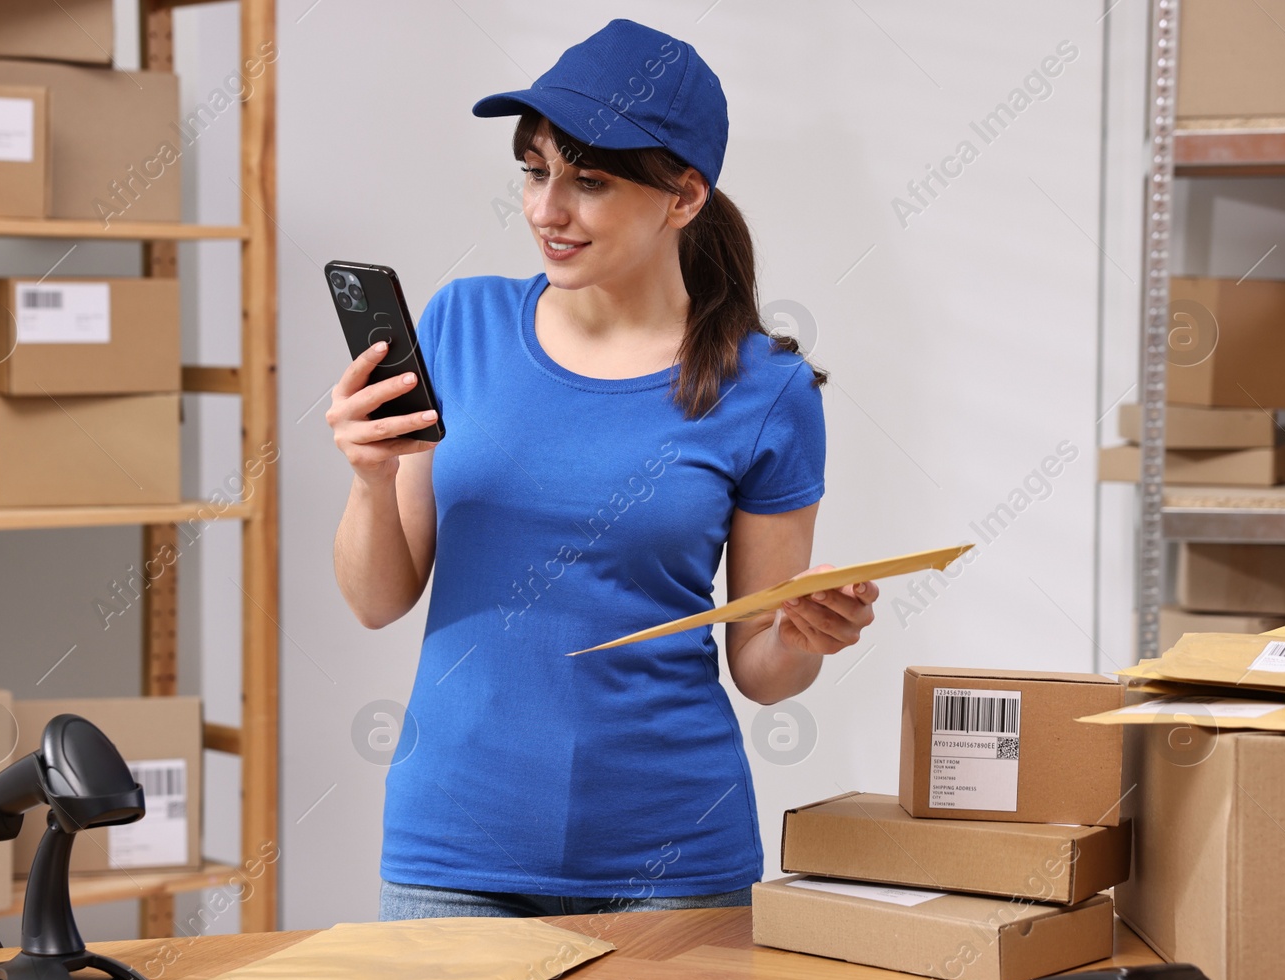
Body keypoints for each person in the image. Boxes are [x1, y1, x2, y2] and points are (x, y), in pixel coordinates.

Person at [327, 18, 879, 921]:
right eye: (536, 170)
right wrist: (367, 475)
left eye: (589, 180)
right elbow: (377, 598)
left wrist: (805, 634)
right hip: (452, 854)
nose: (548, 209)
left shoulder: (765, 390)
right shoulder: (461, 325)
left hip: (669, 865)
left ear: (684, 197)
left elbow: (762, 667)